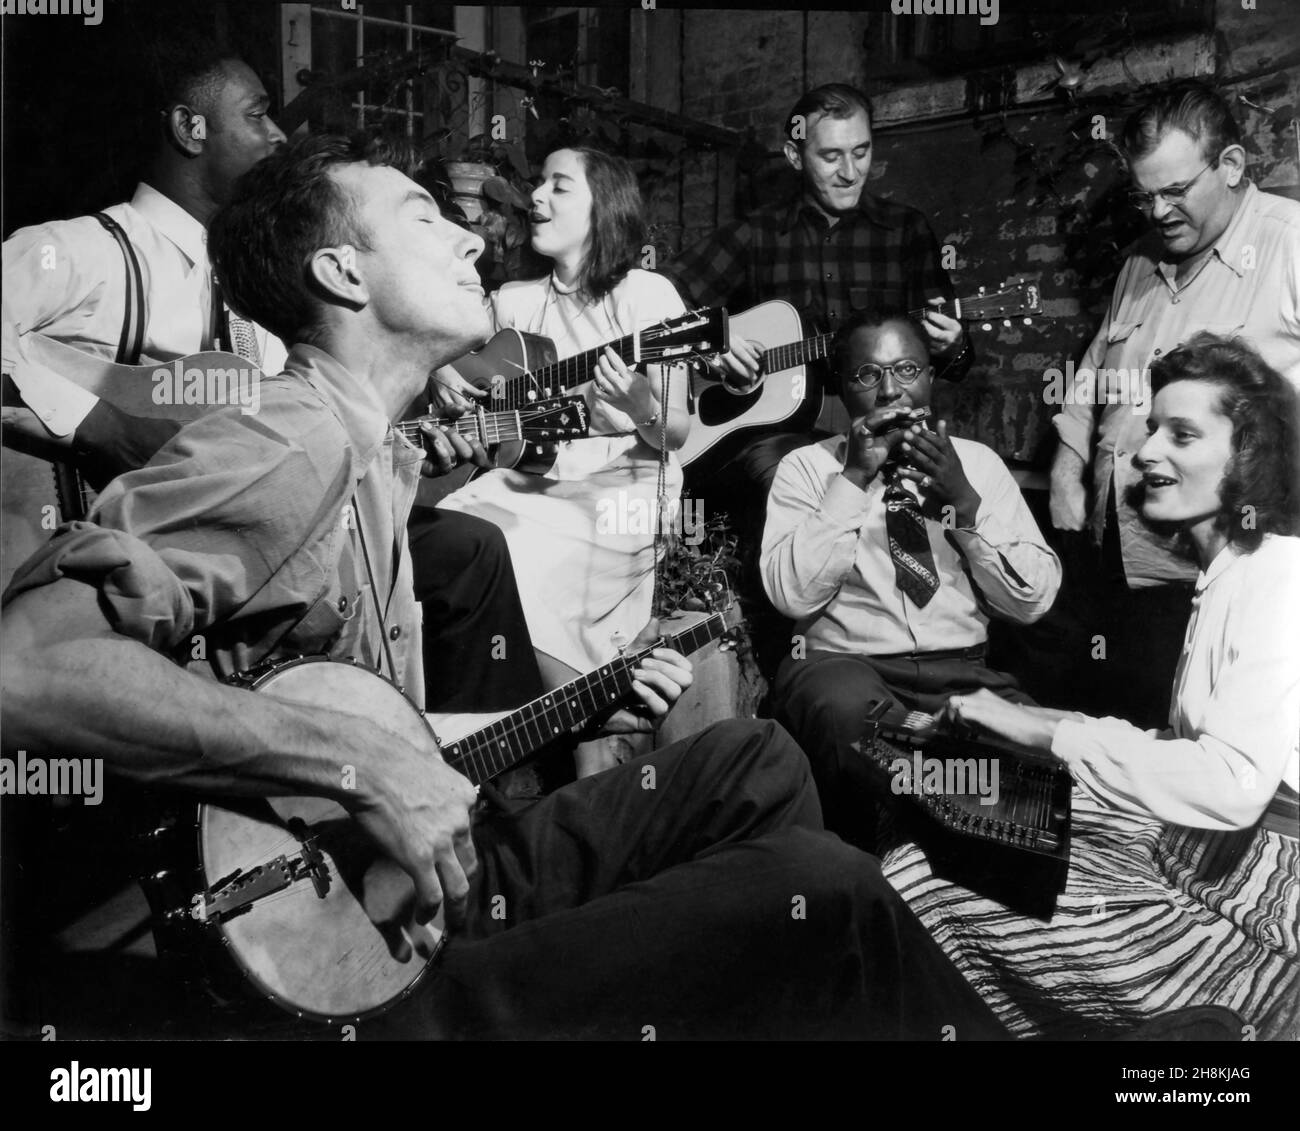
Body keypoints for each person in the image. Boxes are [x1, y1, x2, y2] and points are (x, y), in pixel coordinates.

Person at [0, 132, 1009, 1042]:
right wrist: (361, 767)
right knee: (827, 885)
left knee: (750, 758)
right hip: (343, 971)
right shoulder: (287, 438)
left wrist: (568, 702)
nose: (478, 241)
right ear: (344, 273)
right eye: (425, 219)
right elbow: (27, 668)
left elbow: (379, 729)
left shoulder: (375, 459)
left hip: (392, 882)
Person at [885, 333, 1300, 1040]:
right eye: (1151, 429)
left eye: (1183, 434)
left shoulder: (1278, 573)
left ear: (1248, 455)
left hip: (1261, 901)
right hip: (1205, 855)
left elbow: (1233, 779)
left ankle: (1233, 1025)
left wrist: (1048, 730)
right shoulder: (1231, 567)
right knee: (949, 810)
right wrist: (1025, 724)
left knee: (927, 881)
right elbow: (1186, 746)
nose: (1143, 454)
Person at [432, 146, 694, 775]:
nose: (537, 198)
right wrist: (441, 374)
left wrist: (640, 406)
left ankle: (570, 721)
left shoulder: (648, 295)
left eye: (560, 186)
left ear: (604, 207)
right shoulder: (515, 301)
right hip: (526, 478)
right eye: (538, 184)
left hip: (628, 479)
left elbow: (674, 432)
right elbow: (450, 362)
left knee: (519, 557)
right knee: (453, 526)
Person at [1049, 79, 1300, 728]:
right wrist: (1066, 464)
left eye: (1175, 191)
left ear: (1233, 165)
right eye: (1146, 195)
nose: (1157, 212)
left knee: (1198, 752)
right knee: (1111, 737)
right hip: (1113, 555)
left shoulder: (1289, 244)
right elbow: (1094, 371)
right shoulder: (1140, 263)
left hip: (1216, 569)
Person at [761, 312, 1060, 848]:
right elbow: (791, 596)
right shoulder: (806, 469)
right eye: (867, 375)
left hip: (961, 673)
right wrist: (853, 478)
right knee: (843, 713)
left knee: (1043, 751)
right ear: (841, 388)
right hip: (847, 670)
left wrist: (965, 506)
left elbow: (1032, 603)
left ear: (930, 377)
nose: (890, 392)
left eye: (906, 370)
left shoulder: (978, 464)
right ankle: (930, 835)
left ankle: (932, 832)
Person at [664, 82, 972, 494]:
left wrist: (953, 345)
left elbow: (957, 361)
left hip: (886, 423)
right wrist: (716, 340)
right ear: (795, 155)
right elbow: (661, 288)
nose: (850, 172)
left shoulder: (906, 231)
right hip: (779, 434)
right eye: (831, 156)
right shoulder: (759, 232)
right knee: (794, 485)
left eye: (861, 152)